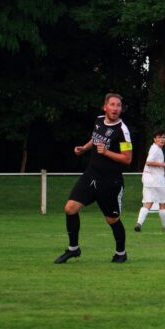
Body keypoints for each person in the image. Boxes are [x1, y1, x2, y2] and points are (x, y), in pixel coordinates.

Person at [55, 93, 133, 264]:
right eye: (112, 104)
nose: (115, 108)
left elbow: (127, 159)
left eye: (118, 105)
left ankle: (121, 252)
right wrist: (84, 148)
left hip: (110, 181)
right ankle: (73, 249)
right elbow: (95, 139)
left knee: (112, 219)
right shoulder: (98, 121)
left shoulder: (122, 131)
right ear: (105, 107)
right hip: (91, 175)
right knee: (70, 209)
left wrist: (106, 152)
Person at [135, 130, 165, 232]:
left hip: (148, 180)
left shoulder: (155, 148)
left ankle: (139, 223)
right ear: (154, 139)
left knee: (148, 203)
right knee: (163, 203)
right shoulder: (155, 149)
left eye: (163, 137)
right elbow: (149, 162)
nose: (162, 139)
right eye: (159, 137)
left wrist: (163, 172)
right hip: (157, 181)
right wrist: (163, 165)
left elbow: (152, 163)